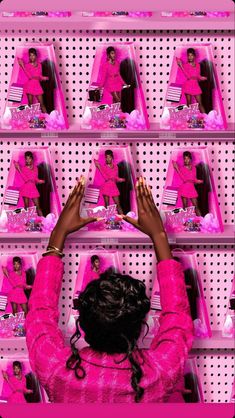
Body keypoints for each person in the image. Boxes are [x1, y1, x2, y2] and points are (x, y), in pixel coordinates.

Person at [25, 175, 193, 403]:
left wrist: (58, 236)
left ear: (82, 325)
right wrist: (159, 237)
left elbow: (39, 316)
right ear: (140, 327)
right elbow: (178, 320)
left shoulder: (59, 372)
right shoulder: (157, 375)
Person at [14, 151, 45, 216]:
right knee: (26, 207)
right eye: (26, 159)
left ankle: (44, 222)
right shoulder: (23, 169)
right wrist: (19, 169)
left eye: (29, 158)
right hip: (25, 189)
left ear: (32, 159)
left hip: (33, 188)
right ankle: (26, 223)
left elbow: (35, 178)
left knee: (38, 207)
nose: (27, 160)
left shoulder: (36, 168)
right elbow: (25, 179)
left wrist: (39, 181)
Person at [17, 48, 48, 113]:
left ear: (36, 55)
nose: (31, 57)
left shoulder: (39, 65)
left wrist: (43, 78)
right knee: (30, 105)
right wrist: (23, 66)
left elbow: (39, 75)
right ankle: (30, 120)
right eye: (30, 55)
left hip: (37, 85)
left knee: (42, 104)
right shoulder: (27, 65)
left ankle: (48, 120)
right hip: (30, 86)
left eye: (33, 55)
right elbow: (30, 76)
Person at [172, 151, 203, 217]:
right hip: (184, 188)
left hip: (191, 188)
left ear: (190, 159)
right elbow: (184, 179)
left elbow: (194, 179)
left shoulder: (194, 168)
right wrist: (177, 169)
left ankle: (202, 222)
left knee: (196, 206)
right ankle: (185, 223)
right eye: (185, 158)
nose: (186, 160)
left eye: (187, 158)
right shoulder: (182, 168)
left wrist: (199, 181)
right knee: (185, 207)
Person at [176, 48, 207, 114]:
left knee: (200, 103)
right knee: (189, 104)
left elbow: (198, 75)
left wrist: (201, 78)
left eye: (191, 55)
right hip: (188, 85)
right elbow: (188, 76)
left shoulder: (198, 65)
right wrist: (181, 66)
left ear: (194, 56)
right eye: (188, 55)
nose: (190, 57)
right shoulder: (185, 65)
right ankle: (189, 120)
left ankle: (206, 119)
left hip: (195, 85)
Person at [94, 149, 125, 214]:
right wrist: (99, 167)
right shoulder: (104, 167)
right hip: (106, 187)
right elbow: (106, 178)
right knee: (107, 206)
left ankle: (124, 221)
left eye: (109, 157)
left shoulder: (116, 166)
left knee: (118, 205)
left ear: (112, 157)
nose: (108, 159)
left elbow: (116, 177)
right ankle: (107, 221)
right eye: (106, 157)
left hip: (113, 186)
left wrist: (120, 179)